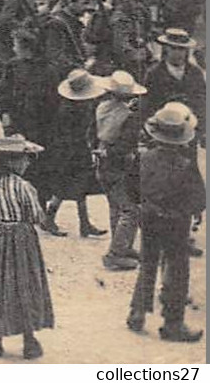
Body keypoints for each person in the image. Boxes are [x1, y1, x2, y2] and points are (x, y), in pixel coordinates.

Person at [0, 134, 55, 359]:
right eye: (24, 159)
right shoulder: (23, 186)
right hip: (20, 238)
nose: (26, 163)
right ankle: (29, 340)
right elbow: (35, 215)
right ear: (12, 162)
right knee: (23, 284)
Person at [127, 103, 205, 343]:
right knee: (177, 269)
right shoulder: (186, 165)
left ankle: (137, 312)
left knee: (148, 264)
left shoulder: (144, 159)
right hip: (176, 222)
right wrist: (193, 211)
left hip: (149, 218)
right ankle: (173, 323)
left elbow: (131, 190)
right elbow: (199, 197)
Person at [44, 68, 108, 238]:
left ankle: (83, 222)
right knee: (69, 186)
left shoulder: (75, 105)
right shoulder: (72, 109)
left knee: (78, 186)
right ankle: (52, 218)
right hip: (70, 151)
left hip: (73, 150)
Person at [96, 70, 147, 270]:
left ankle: (122, 246)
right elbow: (126, 145)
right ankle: (115, 253)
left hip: (102, 161)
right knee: (131, 209)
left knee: (115, 206)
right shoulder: (129, 117)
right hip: (119, 165)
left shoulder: (102, 107)